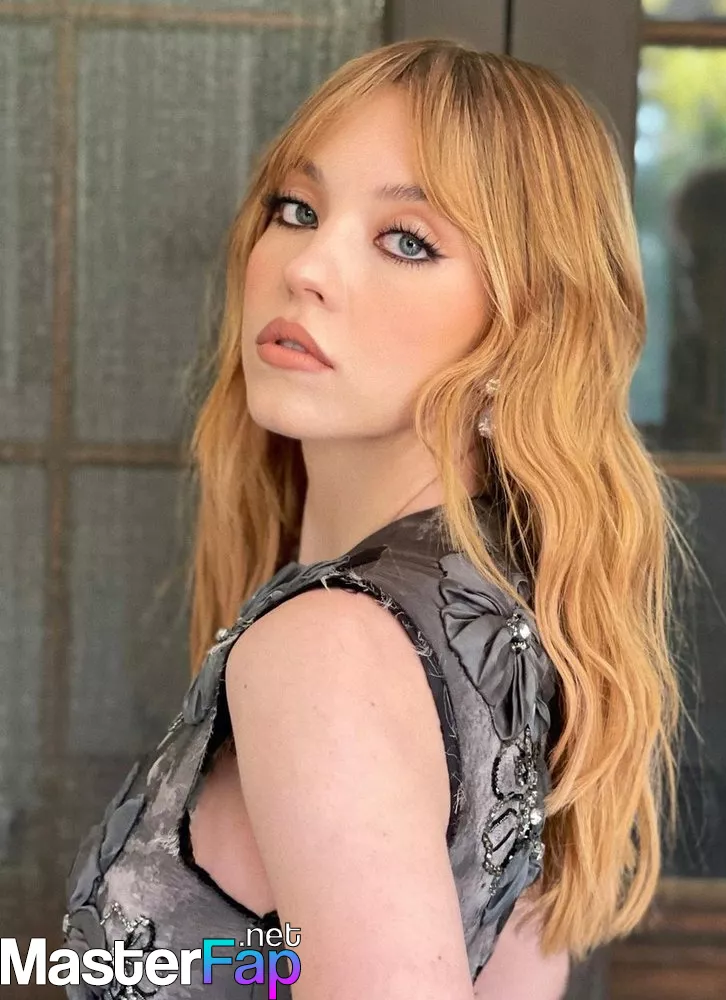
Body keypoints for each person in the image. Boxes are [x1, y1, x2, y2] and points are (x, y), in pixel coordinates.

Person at [61, 38, 686, 999]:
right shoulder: (519, 622)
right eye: (297, 209)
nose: (307, 266)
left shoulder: (327, 651)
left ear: (523, 334)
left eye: (408, 241)